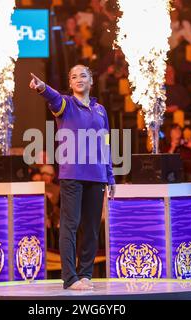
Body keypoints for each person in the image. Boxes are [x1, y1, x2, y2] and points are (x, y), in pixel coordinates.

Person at [30, 65, 115, 290]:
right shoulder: (66, 105)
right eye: (74, 76)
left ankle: (86, 274)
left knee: (91, 227)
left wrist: (110, 176)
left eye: (83, 75)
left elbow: (105, 143)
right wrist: (42, 88)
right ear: (70, 83)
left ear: (91, 81)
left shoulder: (101, 110)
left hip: (97, 176)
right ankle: (70, 277)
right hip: (73, 176)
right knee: (70, 224)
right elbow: (54, 98)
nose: (79, 79)